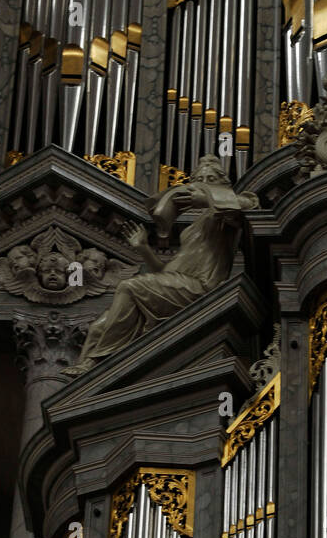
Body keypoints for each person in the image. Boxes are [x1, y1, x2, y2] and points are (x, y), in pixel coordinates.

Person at [65, 156, 258, 376]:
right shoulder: (194, 227)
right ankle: (91, 374)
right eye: (199, 179)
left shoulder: (224, 219)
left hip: (202, 287)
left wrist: (206, 199)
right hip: (181, 285)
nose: (204, 183)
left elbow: (249, 204)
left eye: (211, 179)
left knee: (129, 287)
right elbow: (167, 274)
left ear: (223, 185)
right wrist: (143, 248)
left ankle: (96, 362)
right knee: (99, 327)